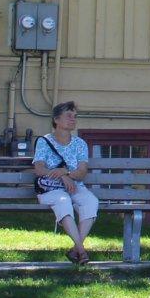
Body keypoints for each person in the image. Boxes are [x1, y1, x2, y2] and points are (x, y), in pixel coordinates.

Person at [33, 101, 97, 264]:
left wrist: (66, 172)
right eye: (69, 116)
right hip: (50, 189)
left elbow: (82, 172)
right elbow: (39, 169)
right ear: (56, 119)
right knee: (63, 201)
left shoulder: (79, 144)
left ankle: (76, 249)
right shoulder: (44, 141)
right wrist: (61, 175)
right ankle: (81, 251)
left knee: (91, 201)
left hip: (75, 187)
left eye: (75, 117)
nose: (73, 120)